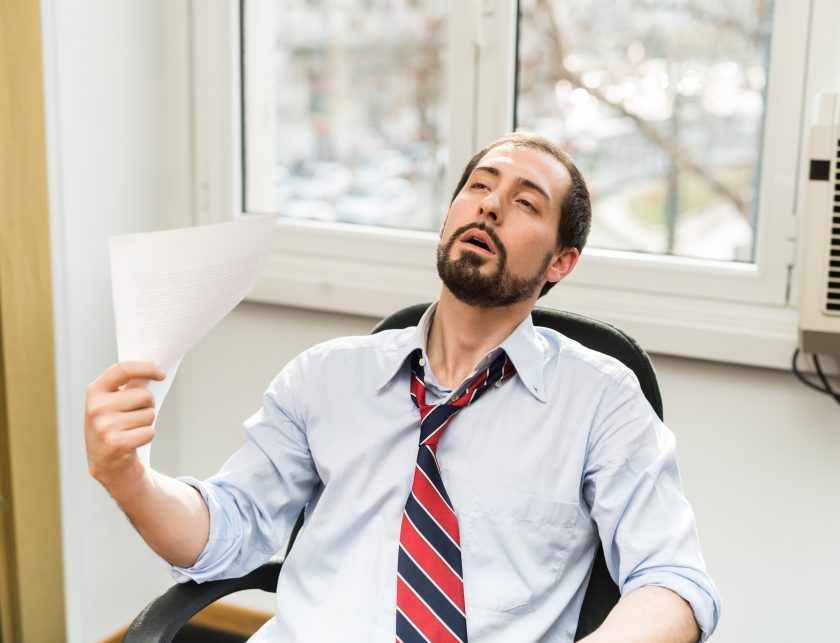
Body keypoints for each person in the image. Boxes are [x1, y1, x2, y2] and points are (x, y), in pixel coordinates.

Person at [85, 133, 721, 642]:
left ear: (561, 262)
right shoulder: (325, 376)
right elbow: (227, 530)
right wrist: (128, 478)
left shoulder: (600, 400)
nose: (491, 205)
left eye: (526, 202)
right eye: (478, 186)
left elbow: (673, 580)